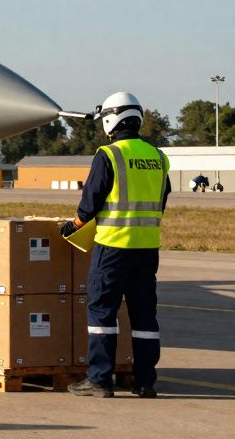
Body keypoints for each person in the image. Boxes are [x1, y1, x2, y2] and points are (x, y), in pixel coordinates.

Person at [62, 92, 168, 398]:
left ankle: (98, 379)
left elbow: (90, 203)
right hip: (147, 249)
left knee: (102, 315)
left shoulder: (108, 155)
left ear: (111, 119)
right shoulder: (159, 157)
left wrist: (75, 226)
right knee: (145, 317)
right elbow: (161, 200)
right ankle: (145, 382)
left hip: (112, 248)